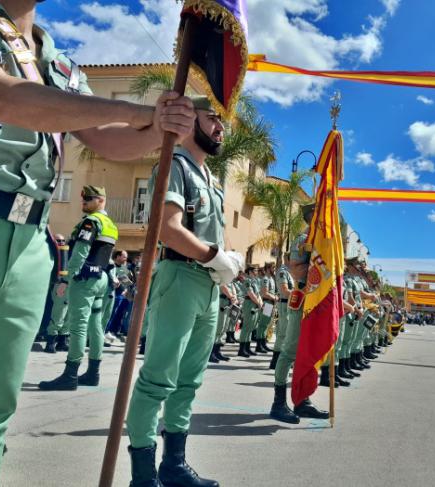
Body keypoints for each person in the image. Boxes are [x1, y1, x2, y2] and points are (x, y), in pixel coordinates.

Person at [0, 0, 195, 481]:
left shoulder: (56, 59)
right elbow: (0, 97)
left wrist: (159, 129)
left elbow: (107, 138)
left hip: (30, 236)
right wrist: (135, 109)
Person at [124, 95, 242, 487]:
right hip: (179, 278)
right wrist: (214, 256)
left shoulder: (211, 180)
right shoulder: (174, 165)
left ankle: (173, 466)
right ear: (191, 120)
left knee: (189, 382)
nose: (221, 128)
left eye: (222, 122)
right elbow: (167, 229)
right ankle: (143, 475)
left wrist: (222, 267)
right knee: (158, 380)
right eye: (214, 119)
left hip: (206, 286)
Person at [38, 185, 118, 390]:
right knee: (96, 325)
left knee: (78, 326)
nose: (83, 203)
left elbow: (79, 254)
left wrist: (66, 280)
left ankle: (70, 375)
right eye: (83, 199)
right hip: (100, 279)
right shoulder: (110, 223)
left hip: (83, 280)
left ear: (101, 200)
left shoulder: (91, 222)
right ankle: (93, 374)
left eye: (89, 199)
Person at [269, 203, 329, 424]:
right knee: (290, 351)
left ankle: (302, 401)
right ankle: (278, 402)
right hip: (304, 299)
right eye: (321, 215)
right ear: (311, 217)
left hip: (319, 302)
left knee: (310, 352)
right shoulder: (303, 240)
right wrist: (320, 268)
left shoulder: (325, 242)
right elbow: (294, 268)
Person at [44, 233, 70, 353]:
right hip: (59, 285)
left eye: (63, 241)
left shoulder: (68, 254)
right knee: (58, 315)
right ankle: (50, 343)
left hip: (70, 286)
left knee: (67, 316)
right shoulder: (50, 252)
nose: (61, 243)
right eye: (58, 241)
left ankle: (62, 342)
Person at [269, 255, 293, 370]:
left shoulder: (291, 272)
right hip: (284, 305)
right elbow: (284, 290)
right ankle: (275, 360)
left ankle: (283, 360)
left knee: (288, 334)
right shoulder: (282, 272)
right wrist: (300, 294)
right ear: (287, 259)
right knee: (282, 334)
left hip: (291, 305)